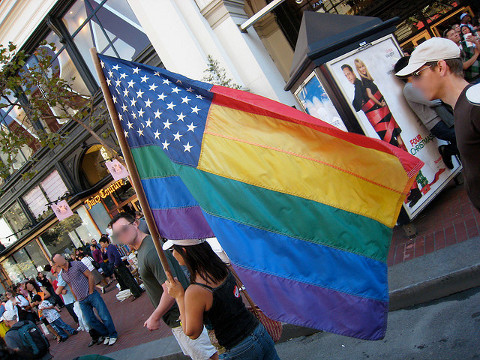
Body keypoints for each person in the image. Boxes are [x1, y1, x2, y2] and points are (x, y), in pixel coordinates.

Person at [109, 213, 218, 360]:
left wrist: (155, 317)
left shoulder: (150, 251)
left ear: (135, 224)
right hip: (179, 316)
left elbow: (170, 288)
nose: (122, 235)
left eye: (124, 229)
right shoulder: (144, 248)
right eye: (117, 234)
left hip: (181, 314)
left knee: (207, 356)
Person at [396, 37, 480, 212]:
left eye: (418, 74)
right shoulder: (463, 106)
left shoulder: (475, 103)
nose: (415, 82)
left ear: (441, 67)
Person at [165, 239, 279, 360]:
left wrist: (179, 296)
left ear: (184, 251)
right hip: (258, 332)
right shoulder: (221, 267)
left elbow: (192, 332)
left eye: (173, 250)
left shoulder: (196, 290)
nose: (172, 255)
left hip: (236, 348)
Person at [342, 62, 422, 207]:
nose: (348, 77)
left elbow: (357, 106)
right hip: (385, 123)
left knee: (400, 156)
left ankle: (415, 189)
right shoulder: (363, 84)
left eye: (348, 74)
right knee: (400, 154)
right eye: (345, 75)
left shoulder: (361, 85)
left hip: (384, 124)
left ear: (354, 72)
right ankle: (414, 189)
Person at [394, 56, 459, 169]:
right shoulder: (409, 88)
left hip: (444, 118)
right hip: (437, 124)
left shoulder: (418, 82)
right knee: (462, 140)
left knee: (462, 140)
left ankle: (448, 151)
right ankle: (446, 150)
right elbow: (432, 101)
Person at [52, 253, 118, 346]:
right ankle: (106, 333)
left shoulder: (76, 264)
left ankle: (112, 334)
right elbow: (71, 287)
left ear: (63, 257)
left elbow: (90, 275)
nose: (60, 260)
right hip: (81, 300)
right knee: (89, 320)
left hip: (91, 294)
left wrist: (91, 290)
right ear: (56, 263)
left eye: (60, 257)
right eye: (57, 260)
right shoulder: (63, 274)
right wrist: (77, 299)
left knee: (104, 315)